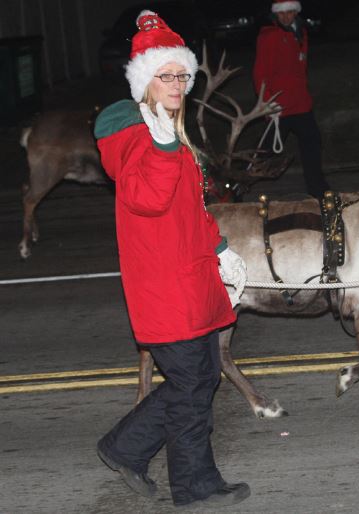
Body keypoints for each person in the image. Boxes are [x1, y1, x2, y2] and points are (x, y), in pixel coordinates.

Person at [93, 10, 250, 509]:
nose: (178, 84)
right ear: (145, 81)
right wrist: (162, 144)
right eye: (166, 75)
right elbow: (147, 198)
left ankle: (126, 448)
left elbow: (189, 208)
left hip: (191, 275)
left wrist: (221, 249)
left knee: (199, 380)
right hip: (165, 286)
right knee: (191, 384)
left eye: (182, 74)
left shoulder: (170, 136)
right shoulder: (137, 137)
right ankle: (194, 485)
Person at [253, 0, 331, 198]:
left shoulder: (301, 33)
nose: (286, 17)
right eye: (282, 13)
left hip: (301, 103)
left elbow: (301, 67)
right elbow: (260, 73)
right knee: (265, 151)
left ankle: (318, 189)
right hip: (278, 106)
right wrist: (268, 103)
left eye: (290, 12)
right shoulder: (269, 36)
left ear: (296, 12)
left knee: (313, 143)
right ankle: (237, 186)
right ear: (275, 15)